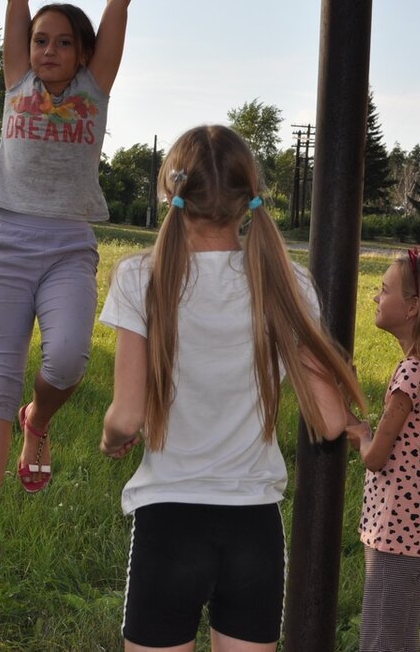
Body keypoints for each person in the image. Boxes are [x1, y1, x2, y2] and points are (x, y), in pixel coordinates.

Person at [98, 125, 365, 651]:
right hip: (254, 532)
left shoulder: (138, 278)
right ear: (250, 199)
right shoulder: (287, 282)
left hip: (168, 523)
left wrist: (112, 439)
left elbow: (126, 417)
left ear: (170, 193)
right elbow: (331, 420)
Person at [0, 0, 153, 584]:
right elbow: (16, 2)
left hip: (70, 244)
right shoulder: (14, 80)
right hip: (9, 243)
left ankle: (37, 420)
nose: (45, 48)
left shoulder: (94, 91)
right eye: (39, 40)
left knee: (68, 358)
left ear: (81, 54)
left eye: (61, 42)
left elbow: (117, 7)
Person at [346, 249, 420, 652]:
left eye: (383, 290)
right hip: (415, 530)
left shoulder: (411, 372)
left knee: (380, 638)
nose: (375, 298)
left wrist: (360, 433)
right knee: (398, 635)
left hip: (393, 531)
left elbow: (375, 457)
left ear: (413, 307)